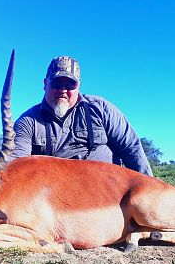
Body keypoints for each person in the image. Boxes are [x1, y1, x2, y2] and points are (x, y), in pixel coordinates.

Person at [11, 56, 153, 176]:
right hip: (56, 198)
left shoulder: (101, 108)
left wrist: (149, 187)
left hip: (109, 193)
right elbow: (15, 166)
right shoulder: (27, 122)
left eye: (70, 85)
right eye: (56, 83)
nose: (63, 90)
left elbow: (131, 148)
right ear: (45, 84)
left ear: (78, 86)